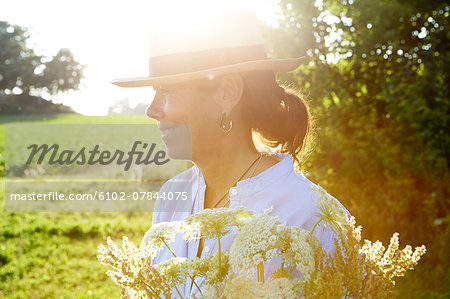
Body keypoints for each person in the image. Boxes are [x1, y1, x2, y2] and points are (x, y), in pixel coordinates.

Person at [112, 9, 348, 298]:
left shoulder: (313, 216)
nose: (152, 110)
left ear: (228, 92)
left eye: (167, 92)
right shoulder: (171, 197)